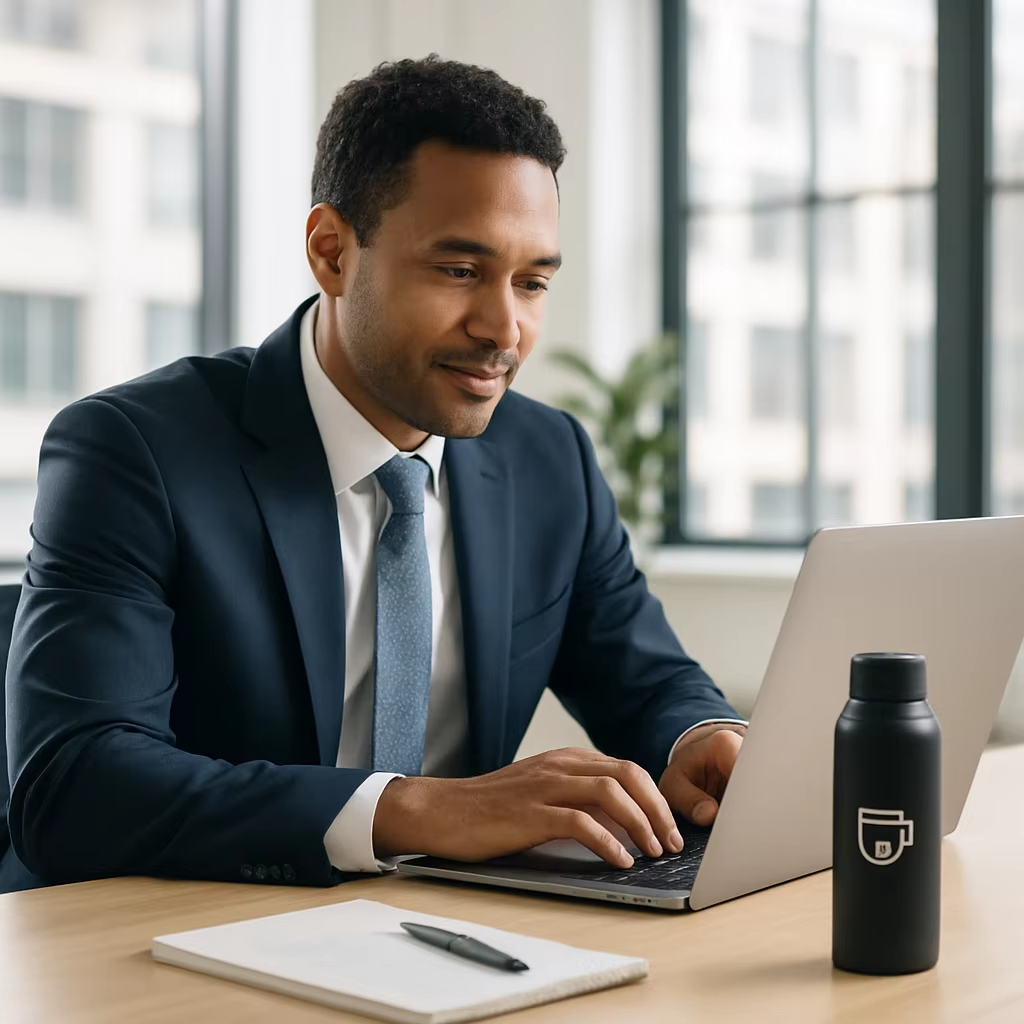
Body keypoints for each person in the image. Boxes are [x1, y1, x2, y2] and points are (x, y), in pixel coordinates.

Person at [3, 56, 746, 891]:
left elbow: (647, 679)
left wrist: (703, 738)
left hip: (448, 940)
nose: (504, 329)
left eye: (532, 282)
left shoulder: (549, 459)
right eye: (459, 271)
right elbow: (76, 786)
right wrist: (419, 810)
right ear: (331, 253)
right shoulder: (136, 451)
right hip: (175, 940)